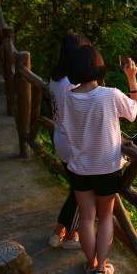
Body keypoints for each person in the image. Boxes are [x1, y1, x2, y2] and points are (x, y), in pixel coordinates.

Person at [61, 46, 137, 274]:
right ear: (98, 66)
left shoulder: (68, 96)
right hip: (107, 167)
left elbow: (66, 126)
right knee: (105, 216)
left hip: (79, 167)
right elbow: (134, 111)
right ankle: (101, 270)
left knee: (86, 218)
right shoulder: (110, 94)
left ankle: (91, 265)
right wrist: (131, 77)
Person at [48, 33, 92, 249]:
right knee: (82, 192)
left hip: (62, 139)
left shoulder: (57, 77)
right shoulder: (70, 84)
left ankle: (59, 233)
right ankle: (68, 237)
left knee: (77, 189)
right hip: (73, 144)